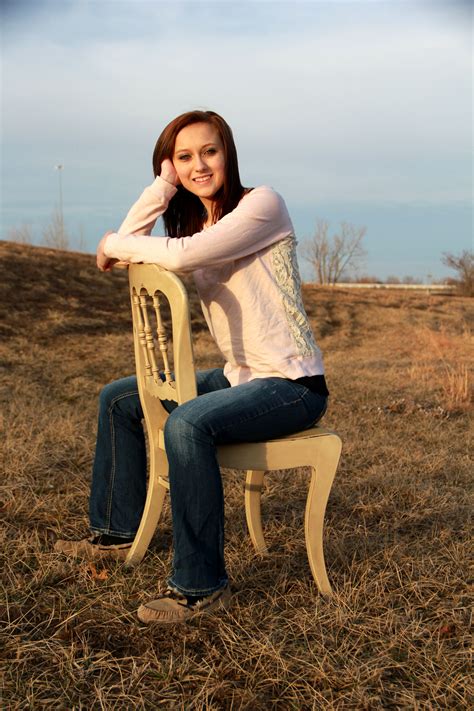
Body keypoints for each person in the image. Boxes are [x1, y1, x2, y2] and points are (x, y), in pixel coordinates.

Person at [55, 110, 329, 624]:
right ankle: (115, 531)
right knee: (119, 398)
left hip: (292, 384)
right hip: (239, 375)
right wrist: (161, 186)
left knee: (186, 424)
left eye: (209, 151)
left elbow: (174, 256)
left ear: (228, 152)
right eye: (184, 157)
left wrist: (111, 241)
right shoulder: (193, 219)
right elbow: (131, 252)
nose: (199, 165)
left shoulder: (262, 205)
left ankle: (201, 586)